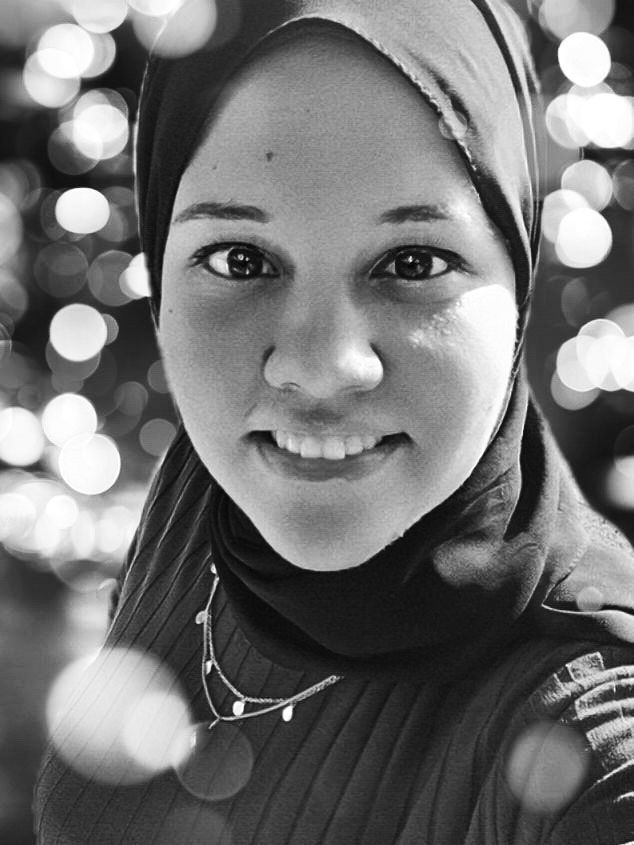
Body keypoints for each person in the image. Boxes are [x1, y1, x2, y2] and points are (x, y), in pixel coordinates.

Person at [34, 1, 634, 843]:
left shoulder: (595, 730)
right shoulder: (206, 487)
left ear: (519, 287)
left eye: (413, 262)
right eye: (240, 259)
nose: (319, 368)